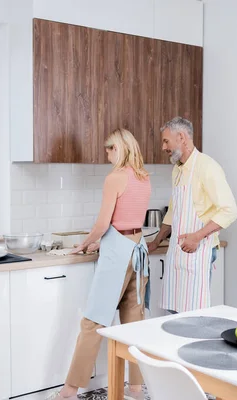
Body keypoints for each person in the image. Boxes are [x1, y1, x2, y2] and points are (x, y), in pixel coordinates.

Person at [49, 128, 152, 400]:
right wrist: (100, 242)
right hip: (137, 251)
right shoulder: (143, 178)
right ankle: (136, 389)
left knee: (92, 323)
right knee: (134, 324)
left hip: (118, 256)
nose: (106, 153)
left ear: (120, 148)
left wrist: (85, 243)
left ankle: (69, 391)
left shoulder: (115, 178)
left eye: (110, 148)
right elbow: (127, 224)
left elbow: (103, 224)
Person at [148, 117, 237, 314]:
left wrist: (197, 237)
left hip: (200, 250)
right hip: (178, 251)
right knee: (174, 313)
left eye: (166, 141)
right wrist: (156, 241)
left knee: (194, 315)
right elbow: (174, 212)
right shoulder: (177, 170)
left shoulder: (207, 166)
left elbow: (229, 210)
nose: (163, 147)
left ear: (181, 137)